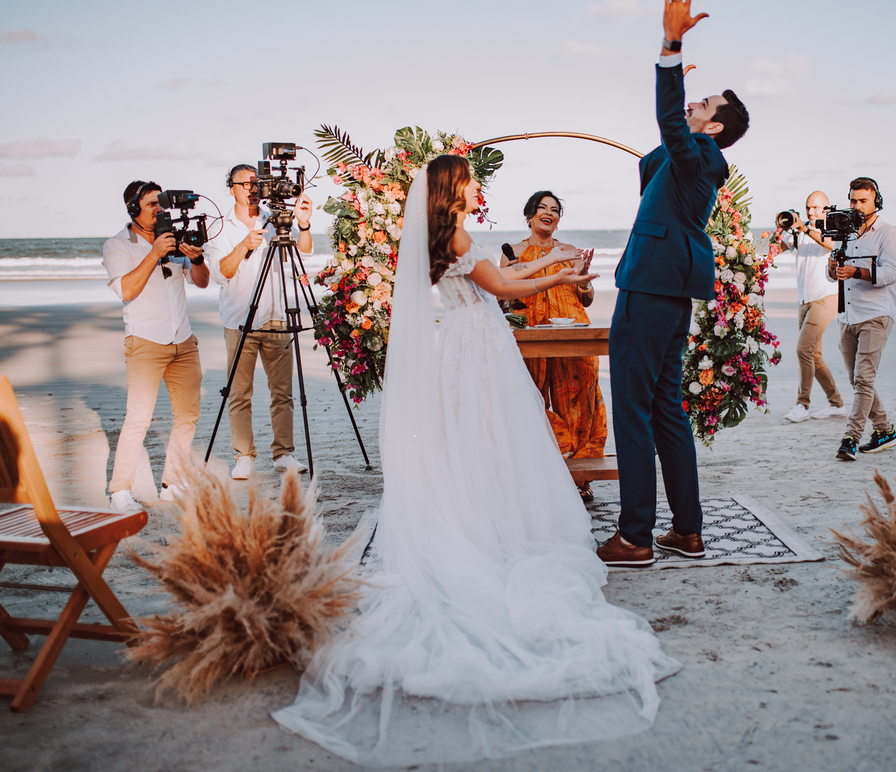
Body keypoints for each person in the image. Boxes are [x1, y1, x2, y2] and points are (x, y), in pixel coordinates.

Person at [272, 155, 679, 765]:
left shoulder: (449, 234)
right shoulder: (458, 236)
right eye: (469, 177)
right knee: (495, 435)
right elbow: (505, 287)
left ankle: (486, 510)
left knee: (482, 438)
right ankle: (495, 524)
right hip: (481, 342)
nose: (476, 183)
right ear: (452, 187)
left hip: (467, 340)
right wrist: (551, 276)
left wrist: (556, 265)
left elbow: (504, 270)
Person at [604, 0, 749, 567]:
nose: (694, 103)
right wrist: (681, 116)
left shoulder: (702, 155)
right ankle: (686, 531)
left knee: (631, 410)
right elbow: (649, 165)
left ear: (714, 128)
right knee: (666, 409)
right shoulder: (694, 159)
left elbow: (670, 133)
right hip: (670, 292)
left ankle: (635, 536)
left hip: (648, 288)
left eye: (703, 104)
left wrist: (670, 53)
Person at [102, 180, 209, 511]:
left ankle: (171, 484)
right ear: (133, 209)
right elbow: (126, 290)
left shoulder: (173, 237)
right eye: (151, 204)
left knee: (187, 416)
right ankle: (120, 491)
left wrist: (198, 258)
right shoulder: (117, 245)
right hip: (146, 342)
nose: (159, 210)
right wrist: (155, 253)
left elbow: (202, 282)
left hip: (183, 340)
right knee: (138, 419)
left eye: (161, 203)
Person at [203, 164, 312, 479]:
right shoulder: (219, 228)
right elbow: (219, 273)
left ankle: (284, 454)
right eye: (245, 184)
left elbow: (303, 253)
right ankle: (243, 456)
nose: (253, 189)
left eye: (257, 183)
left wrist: (303, 224)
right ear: (232, 188)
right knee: (239, 394)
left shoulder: (275, 217)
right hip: (240, 319)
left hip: (277, 315)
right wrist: (244, 246)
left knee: (283, 393)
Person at [501, 191, 606, 500]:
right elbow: (503, 295)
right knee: (528, 398)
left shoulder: (569, 251)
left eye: (555, 210)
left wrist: (584, 280)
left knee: (578, 399)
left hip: (572, 330)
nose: (549, 212)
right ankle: (539, 472)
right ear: (530, 215)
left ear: (558, 220)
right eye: (542, 207)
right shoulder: (512, 252)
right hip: (528, 333)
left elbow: (586, 298)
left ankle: (579, 477)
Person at [827, 177, 896, 461]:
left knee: (863, 379)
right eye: (853, 200)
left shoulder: (889, 234)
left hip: (876, 315)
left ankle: (850, 439)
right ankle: (885, 431)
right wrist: (833, 269)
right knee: (857, 380)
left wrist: (856, 272)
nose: (857, 206)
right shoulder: (843, 232)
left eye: (863, 201)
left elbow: (890, 274)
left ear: (876, 202)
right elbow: (831, 275)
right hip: (847, 315)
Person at [783, 190, 846, 423]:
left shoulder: (833, 229)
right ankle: (836, 404)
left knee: (803, 349)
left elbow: (830, 245)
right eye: (808, 207)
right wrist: (782, 228)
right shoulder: (799, 231)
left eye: (816, 207)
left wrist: (805, 228)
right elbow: (774, 249)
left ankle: (802, 404)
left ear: (826, 209)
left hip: (826, 297)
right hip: (804, 299)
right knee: (814, 355)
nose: (811, 211)